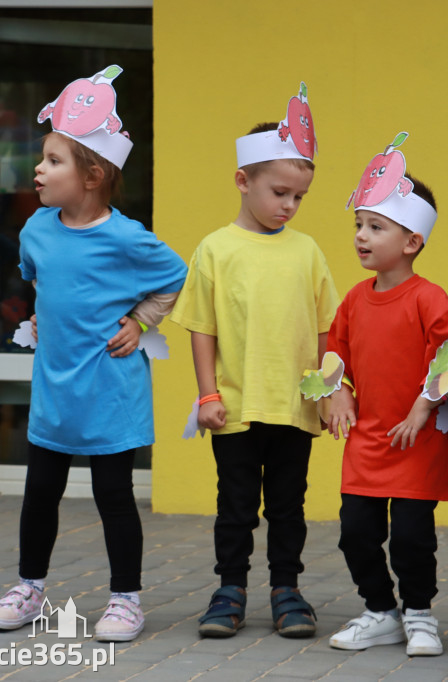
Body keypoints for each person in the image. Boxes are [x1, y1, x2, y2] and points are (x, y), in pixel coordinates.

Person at [0, 65, 189, 643]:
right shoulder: (35, 230)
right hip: (55, 393)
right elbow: (36, 281)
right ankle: (29, 588)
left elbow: (176, 275)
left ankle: (126, 600)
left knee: (113, 497)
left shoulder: (127, 238)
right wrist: (40, 315)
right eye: (42, 158)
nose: (38, 169)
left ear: (92, 175)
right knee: (39, 494)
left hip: (110, 393)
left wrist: (140, 318)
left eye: (52, 160)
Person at [169, 83, 339, 640]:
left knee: (289, 506)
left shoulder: (307, 250)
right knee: (235, 505)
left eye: (298, 197)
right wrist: (208, 394)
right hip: (236, 406)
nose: (288, 205)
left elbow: (324, 329)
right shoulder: (215, 249)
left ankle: (287, 589)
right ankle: (230, 589)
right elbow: (202, 327)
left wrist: (331, 388)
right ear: (243, 181)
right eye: (279, 192)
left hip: (294, 405)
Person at [321, 132, 448, 657]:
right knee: (355, 533)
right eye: (359, 226)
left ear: (412, 241)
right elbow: (332, 355)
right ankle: (380, 611)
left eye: (376, 227)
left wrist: (423, 405)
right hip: (368, 442)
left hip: (416, 445)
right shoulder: (352, 300)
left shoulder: (428, 298)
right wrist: (336, 392)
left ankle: (419, 614)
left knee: (413, 539)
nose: (362, 237)